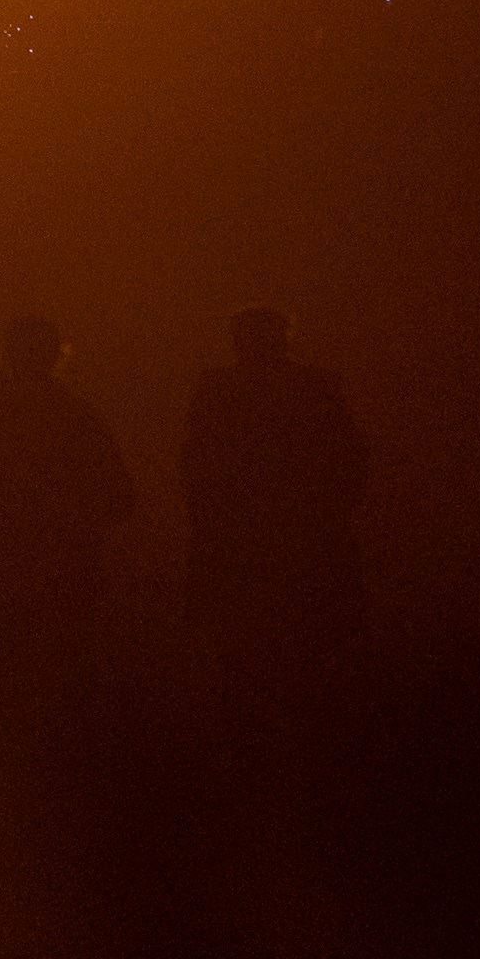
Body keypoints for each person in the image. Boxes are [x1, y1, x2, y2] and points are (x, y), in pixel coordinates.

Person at [0, 313, 134, 713]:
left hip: (4, 547)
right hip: (66, 552)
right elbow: (118, 493)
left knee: (7, 650)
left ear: (11, 356)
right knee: (65, 651)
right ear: (53, 355)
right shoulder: (77, 414)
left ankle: (12, 734)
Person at [180, 306, 366, 715]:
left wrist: (209, 520)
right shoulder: (315, 388)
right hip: (304, 537)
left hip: (238, 536)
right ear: (283, 339)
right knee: (307, 639)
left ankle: (249, 723)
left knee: (241, 641)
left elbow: (194, 468)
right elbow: (351, 464)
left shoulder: (216, 392)